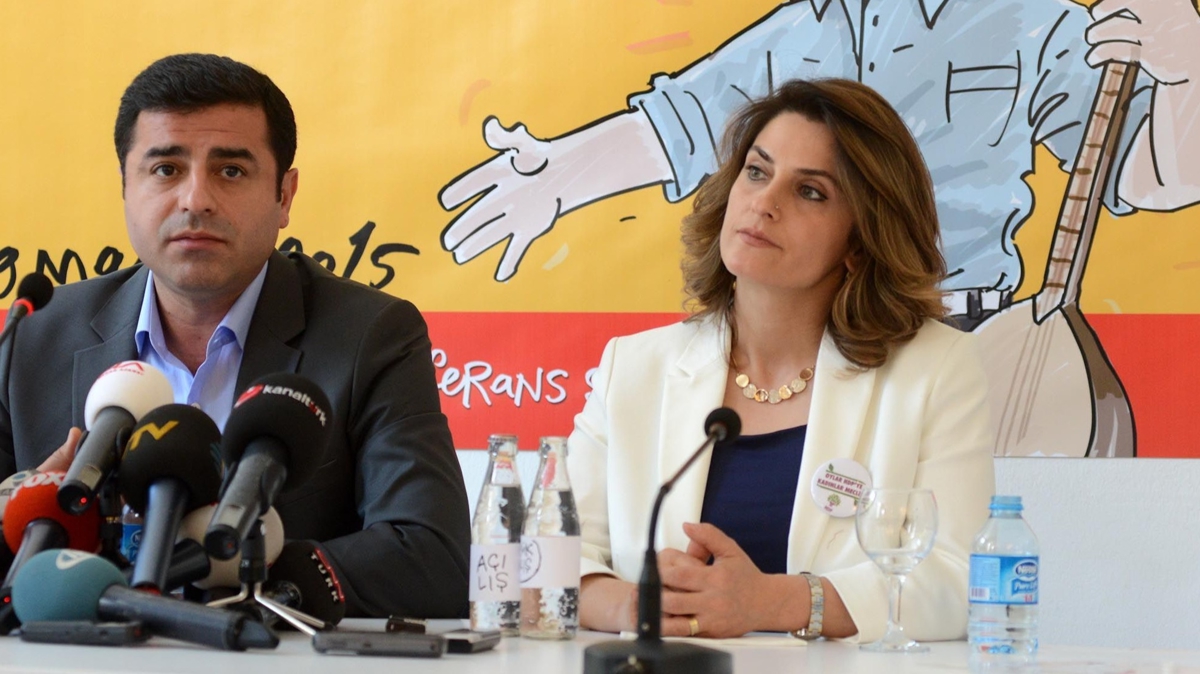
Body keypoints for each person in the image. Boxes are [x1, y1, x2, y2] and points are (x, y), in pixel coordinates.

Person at [0, 54, 470, 619]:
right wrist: (22, 520)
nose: (195, 199)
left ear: (284, 196)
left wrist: (230, 567)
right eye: (166, 169)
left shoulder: (370, 336)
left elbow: (431, 557)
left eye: (230, 172)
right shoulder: (34, 337)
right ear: (125, 186)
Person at [440, 0, 1200, 328]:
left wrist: (1187, 74)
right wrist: (560, 176)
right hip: (813, 341)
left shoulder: (1037, 21)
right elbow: (684, 121)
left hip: (967, 339)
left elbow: (1156, 178)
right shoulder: (818, 21)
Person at [567, 79, 994, 642]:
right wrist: (636, 608)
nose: (764, 203)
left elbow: (958, 582)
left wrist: (771, 602)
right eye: (756, 171)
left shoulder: (935, 370)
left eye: (810, 192)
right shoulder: (633, 367)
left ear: (859, 241)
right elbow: (550, 561)